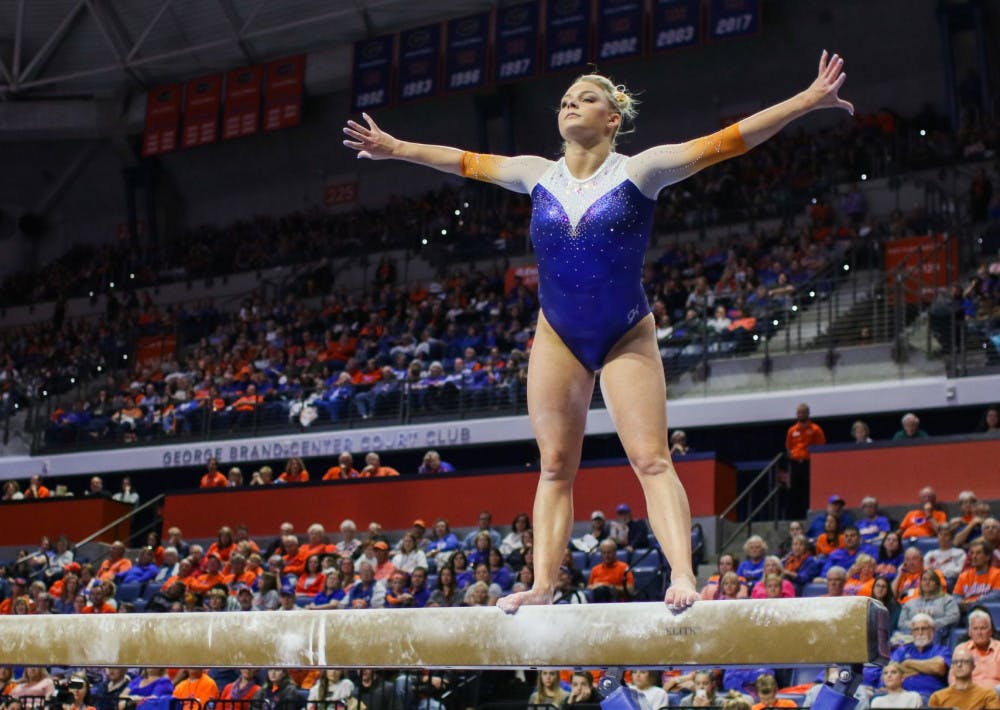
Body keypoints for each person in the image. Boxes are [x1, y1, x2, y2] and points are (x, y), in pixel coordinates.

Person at [343, 50, 854, 611]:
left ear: (613, 117)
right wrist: (396, 149)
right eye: (565, 99)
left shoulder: (642, 170)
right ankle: (542, 585)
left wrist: (808, 100)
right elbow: (464, 161)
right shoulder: (535, 173)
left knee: (651, 458)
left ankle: (684, 575)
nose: (570, 104)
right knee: (556, 467)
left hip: (625, 333)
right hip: (557, 334)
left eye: (586, 97)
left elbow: (727, 141)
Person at [889, 613, 951, 701]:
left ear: (932, 631)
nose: (920, 633)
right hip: (900, 695)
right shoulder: (902, 650)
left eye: (924, 629)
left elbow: (938, 667)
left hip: (930, 697)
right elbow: (892, 671)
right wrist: (927, 668)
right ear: (912, 632)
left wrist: (908, 663)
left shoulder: (941, 650)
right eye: (916, 629)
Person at [784, 403, 827, 519]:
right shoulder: (792, 430)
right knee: (794, 492)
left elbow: (821, 447)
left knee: (807, 491)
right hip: (795, 464)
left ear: (808, 413)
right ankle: (794, 517)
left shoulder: (816, 429)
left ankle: (807, 515)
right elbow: (789, 447)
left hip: (809, 464)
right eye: (799, 412)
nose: (801, 414)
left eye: (803, 412)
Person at [896, 570, 960, 644]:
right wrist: (917, 626)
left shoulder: (947, 600)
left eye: (931, 580)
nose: (927, 582)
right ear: (920, 583)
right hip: (911, 634)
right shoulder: (910, 603)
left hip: (937, 634)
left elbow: (953, 618)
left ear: (937, 584)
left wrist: (931, 624)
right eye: (924, 580)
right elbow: (901, 623)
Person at [928, 647, 1000, 710]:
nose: (959, 665)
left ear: (973, 666)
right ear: (952, 667)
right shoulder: (937, 697)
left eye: (964, 662)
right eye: (955, 662)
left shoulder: (987, 695)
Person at [951, 609, 1000, 692]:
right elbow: (953, 680)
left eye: (983, 628)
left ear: (991, 631)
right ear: (970, 632)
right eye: (975, 629)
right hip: (968, 695)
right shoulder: (961, 649)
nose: (979, 632)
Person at [953, 540, 1000, 611]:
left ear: (987, 557)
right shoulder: (964, 576)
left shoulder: (997, 574)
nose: (974, 556)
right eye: (972, 553)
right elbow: (955, 597)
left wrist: (975, 601)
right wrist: (961, 602)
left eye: (978, 553)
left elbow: (997, 596)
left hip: (988, 611)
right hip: (966, 611)